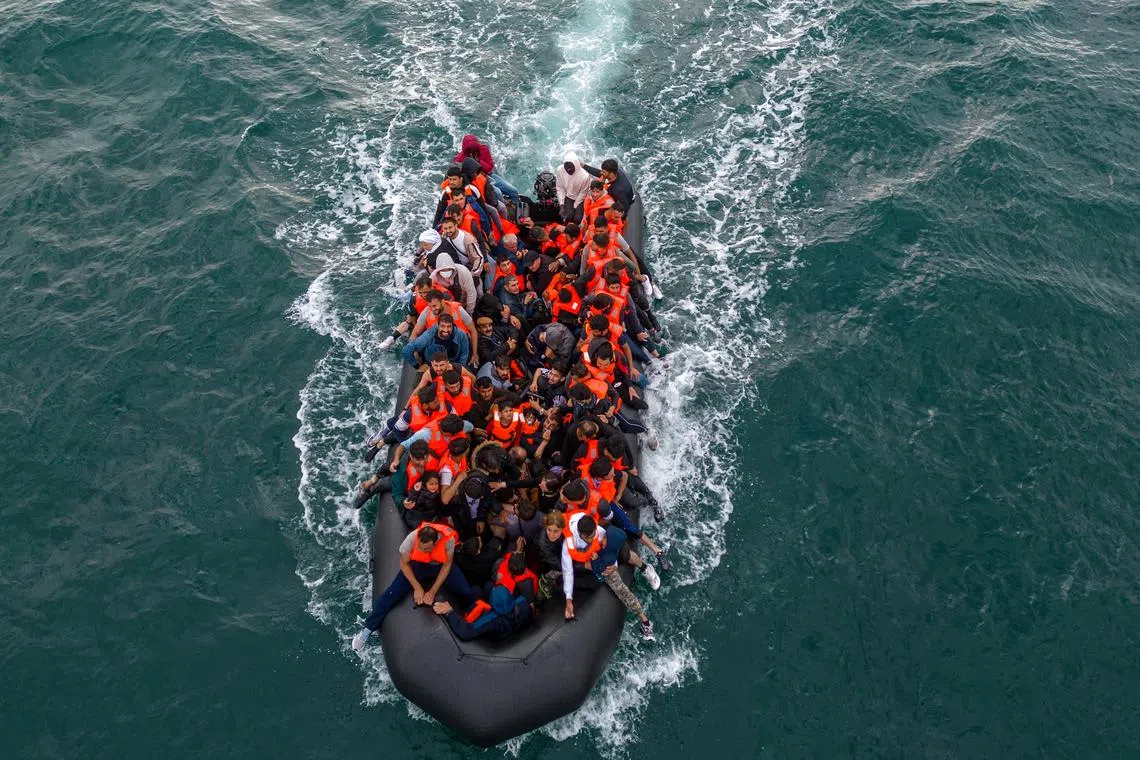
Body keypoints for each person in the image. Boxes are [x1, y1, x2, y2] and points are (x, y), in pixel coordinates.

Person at [352, 522, 478, 651]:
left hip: (439, 565)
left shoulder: (448, 541)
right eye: (421, 548)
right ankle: (366, 631)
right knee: (390, 594)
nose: (423, 550)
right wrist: (417, 587)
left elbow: (447, 566)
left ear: (436, 543)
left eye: (427, 549)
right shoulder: (411, 540)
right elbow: (404, 564)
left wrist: (432, 591)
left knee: (466, 591)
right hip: (417, 566)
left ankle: (474, 613)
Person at [560, 512, 654, 641]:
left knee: (620, 588)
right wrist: (568, 599)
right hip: (581, 564)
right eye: (590, 538)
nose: (594, 538)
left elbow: (611, 549)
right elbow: (567, 570)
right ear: (581, 535)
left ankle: (644, 620)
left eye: (595, 535)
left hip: (601, 561)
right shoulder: (569, 544)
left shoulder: (599, 532)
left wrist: (614, 565)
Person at [431, 585, 532, 641]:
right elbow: (531, 610)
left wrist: (449, 611)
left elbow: (466, 632)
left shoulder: (491, 618)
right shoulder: (523, 602)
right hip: (514, 627)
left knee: (476, 591)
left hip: (498, 635)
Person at [403, 313, 470, 368]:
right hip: (433, 366)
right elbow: (407, 350)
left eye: (449, 326)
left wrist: (460, 368)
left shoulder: (461, 335)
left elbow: (464, 354)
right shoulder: (428, 336)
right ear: (438, 326)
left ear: (453, 326)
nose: (446, 330)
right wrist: (417, 366)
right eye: (442, 326)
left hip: (452, 365)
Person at [555, 151, 590, 223]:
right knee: (568, 217)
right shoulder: (559, 170)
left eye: (570, 167)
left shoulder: (585, 176)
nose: (568, 170)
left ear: (576, 165)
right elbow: (560, 188)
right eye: (566, 167)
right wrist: (561, 205)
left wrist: (574, 206)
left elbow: (583, 193)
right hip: (568, 196)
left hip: (580, 198)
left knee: (577, 219)